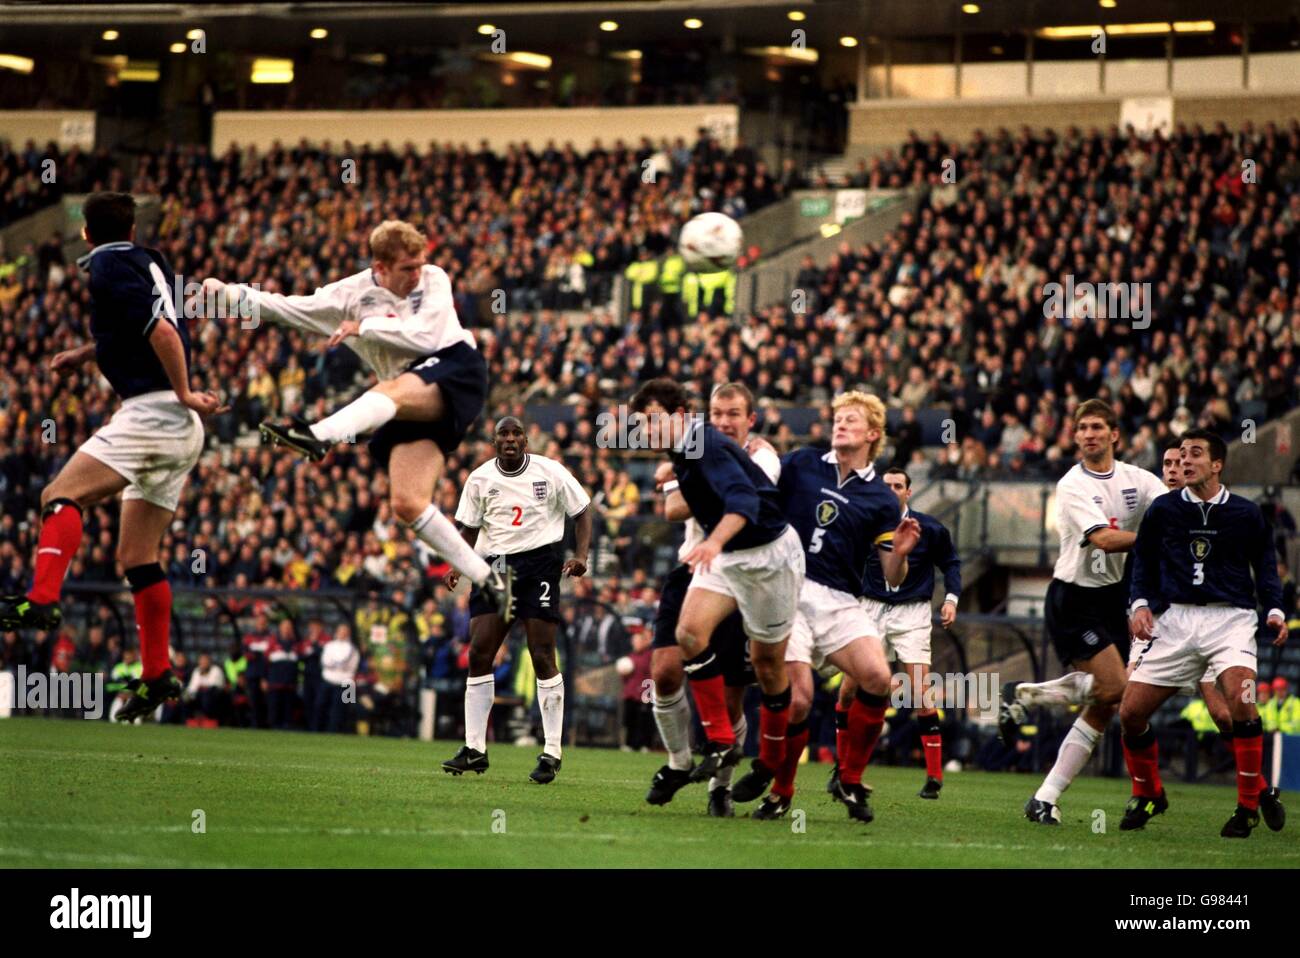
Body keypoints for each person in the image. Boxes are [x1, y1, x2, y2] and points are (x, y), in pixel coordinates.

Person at [202, 220, 512, 619]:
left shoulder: (434, 279)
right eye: (406, 268)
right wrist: (231, 296)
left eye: (419, 263)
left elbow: (423, 338)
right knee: (407, 504)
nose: (416, 273)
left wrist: (364, 327)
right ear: (379, 267)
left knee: (390, 391)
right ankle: (487, 580)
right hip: (406, 394)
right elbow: (291, 309)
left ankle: (318, 434)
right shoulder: (350, 294)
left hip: (455, 369)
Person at [0, 192, 220, 722]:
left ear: (84, 231)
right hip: (182, 431)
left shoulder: (102, 265)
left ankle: (42, 598)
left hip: (155, 414)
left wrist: (186, 391)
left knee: (59, 494)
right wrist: (86, 352)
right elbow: (140, 323)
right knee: (137, 557)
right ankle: (156, 673)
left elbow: (162, 332)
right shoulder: (150, 261)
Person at [737, 392, 919, 823]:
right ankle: (781, 790)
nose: (840, 425)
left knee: (878, 677)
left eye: (850, 420)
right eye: (837, 418)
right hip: (789, 589)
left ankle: (849, 779)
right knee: (798, 700)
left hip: (839, 600)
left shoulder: (880, 498)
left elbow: (892, 576)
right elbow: (761, 494)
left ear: (872, 434)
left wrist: (904, 550)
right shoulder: (801, 463)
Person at [630, 378, 805, 799]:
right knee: (688, 634)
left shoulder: (707, 446)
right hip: (726, 558)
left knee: (767, 665)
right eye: (642, 424)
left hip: (769, 558)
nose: (646, 432)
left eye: (652, 421)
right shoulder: (686, 447)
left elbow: (744, 501)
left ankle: (769, 762)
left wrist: (713, 541)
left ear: (678, 417)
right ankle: (722, 742)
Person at [999, 399, 1168, 825]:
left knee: (1109, 700)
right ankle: (1030, 698)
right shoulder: (1071, 485)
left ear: (1115, 434)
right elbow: (1106, 540)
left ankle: (1045, 795)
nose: (1089, 434)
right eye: (1082, 428)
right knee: (1115, 688)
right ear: (1074, 437)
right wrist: (1159, 537)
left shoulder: (1137, 478)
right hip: (1074, 598)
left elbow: (1171, 511)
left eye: (1097, 427)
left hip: (1113, 597)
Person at [1123, 428, 1287, 837]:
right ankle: (1149, 793)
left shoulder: (1247, 514)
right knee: (1130, 714)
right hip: (1175, 622)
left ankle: (1247, 807)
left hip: (1230, 620)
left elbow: (1266, 565)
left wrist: (1276, 609)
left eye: (1195, 454)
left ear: (1217, 464)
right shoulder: (1162, 510)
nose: (1185, 461)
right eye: (1181, 455)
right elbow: (1142, 560)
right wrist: (1139, 604)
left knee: (1241, 702)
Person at [440, 416, 591, 784]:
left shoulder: (550, 471)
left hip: (539, 564)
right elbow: (470, 527)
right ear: (494, 442)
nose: (510, 439)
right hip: (494, 570)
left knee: (541, 654)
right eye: (503, 434)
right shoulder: (479, 478)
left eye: (516, 434)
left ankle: (552, 752)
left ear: (526, 439)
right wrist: (459, 562)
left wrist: (581, 554)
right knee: (479, 652)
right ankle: (475, 748)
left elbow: (583, 511)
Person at [850, 465, 961, 800]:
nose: (892, 489)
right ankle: (846, 770)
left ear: (908, 492)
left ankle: (934, 777)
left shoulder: (928, 527)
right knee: (850, 690)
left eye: (899, 485)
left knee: (920, 693)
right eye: (887, 485)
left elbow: (951, 562)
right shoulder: (865, 521)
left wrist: (951, 599)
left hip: (911, 611)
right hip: (869, 607)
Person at [317, 623, 360, 733]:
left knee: (341, 709)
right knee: (320, 704)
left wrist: (337, 666)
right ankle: (318, 729)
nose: (343, 633)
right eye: (341, 630)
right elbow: (325, 662)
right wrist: (338, 666)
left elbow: (352, 667)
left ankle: (337, 731)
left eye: (345, 631)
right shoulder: (329, 646)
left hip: (346, 682)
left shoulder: (353, 649)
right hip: (328, 679)